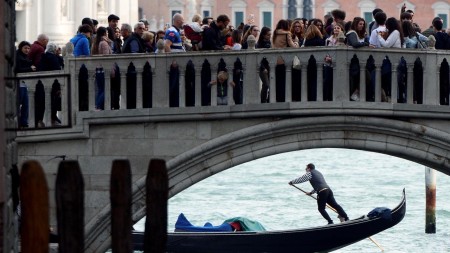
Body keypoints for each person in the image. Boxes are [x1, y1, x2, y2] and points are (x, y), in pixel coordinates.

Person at [15, 41, 36, 128]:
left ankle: (23, 122)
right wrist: (30, 68)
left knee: (26, 104)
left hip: (25, 84)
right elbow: (18, 69)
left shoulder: (25, 57)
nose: (27, 50)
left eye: (28, 48)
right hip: (19, 84)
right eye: (25, 48)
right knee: (19, 103)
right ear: (21, 48)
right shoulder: (17, 56)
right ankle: (18, 121)